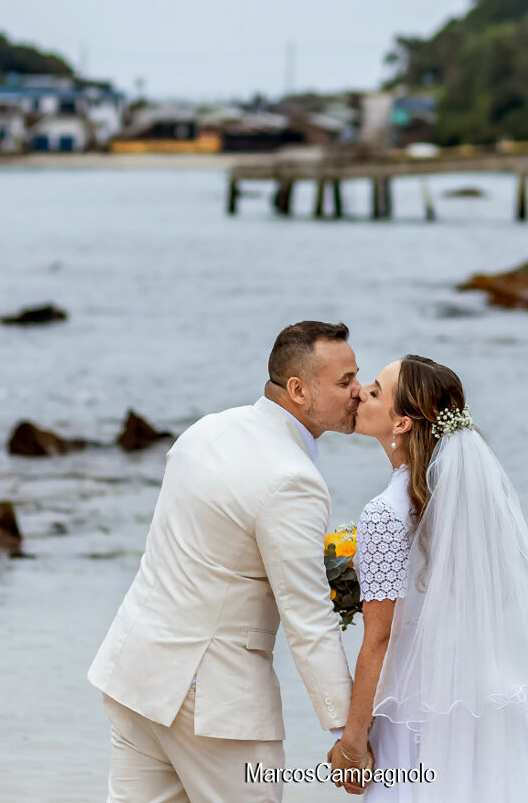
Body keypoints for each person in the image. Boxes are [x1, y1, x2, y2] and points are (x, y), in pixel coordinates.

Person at [88, 321, 367, 802]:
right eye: (345, 381)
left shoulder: (206, 431)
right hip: (211, 701)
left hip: (136, 672)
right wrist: (348, 732)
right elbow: (307, 617)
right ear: (298, 390)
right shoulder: (293, 479)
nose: (359, 390)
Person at [335, 355, 528, 799]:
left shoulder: (384, 514)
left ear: (402, 424)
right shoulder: (465, 504)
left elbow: (379, 638)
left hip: (413, 706)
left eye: (374, 391)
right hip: (480, 696)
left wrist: (353, 741)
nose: (360, 394)